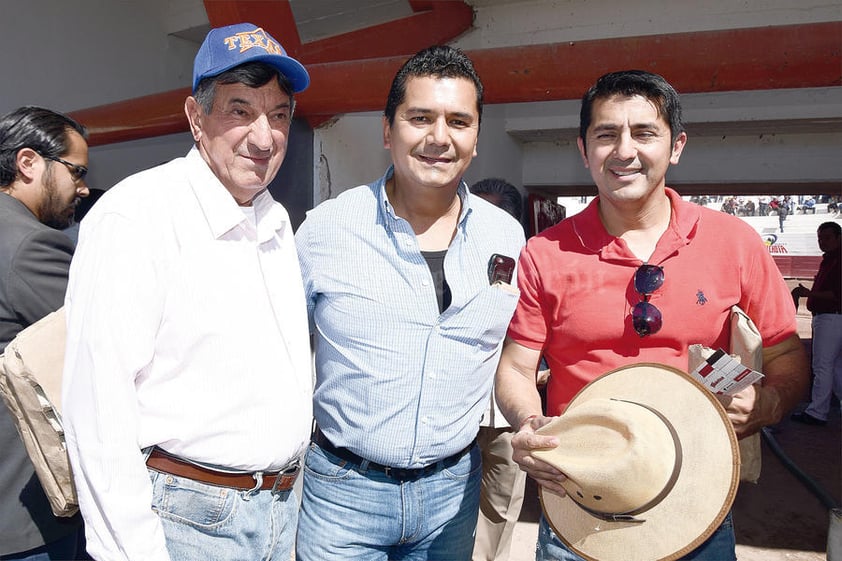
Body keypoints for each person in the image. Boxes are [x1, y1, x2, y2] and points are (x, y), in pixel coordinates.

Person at [494, 70, 809, 561]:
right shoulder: (544, 253)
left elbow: (788, 352)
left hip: (698, 501)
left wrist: (769, 404)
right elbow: (516, 367)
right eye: (606, 134)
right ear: (583, 149)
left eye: (644, 133)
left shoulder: (735, 242)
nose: (624, 150)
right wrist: (528, 422)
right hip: (579, 498)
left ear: (676, 145)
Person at [62, 23, 313, 561]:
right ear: (196, 119)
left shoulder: (274, 219)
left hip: (279, 511)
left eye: (278, 114)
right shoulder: (139, 215)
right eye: (240, 110)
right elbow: (97, 406)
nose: (264, 137)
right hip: (187, 522)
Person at [295, 46, 526, 561]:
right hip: (342, 496)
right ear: (387, 130)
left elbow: (515, 351)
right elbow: (277, 348)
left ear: (476, 137)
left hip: (453, 493)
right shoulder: (328, 230)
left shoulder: (505, 236)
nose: (438, 137)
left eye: (458, 121)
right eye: (419, 118)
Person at [0, 106, 89, 560]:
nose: (83, 187)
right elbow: (97, 346)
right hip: (24, 516)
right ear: (29, 162)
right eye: (76, 171)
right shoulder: (28, 242)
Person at [468, 178, 528, 561]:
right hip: (462, 414)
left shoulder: (534, 266)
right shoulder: (454, 263)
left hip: (508, 418)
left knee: (500, 511)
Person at [791, 221, 842, 426]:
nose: (822, 242)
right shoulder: (831, 259)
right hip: (832, 316)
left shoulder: (837, 261)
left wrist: (807, 293)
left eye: (827, 238)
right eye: (820, 238)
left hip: (830, 317)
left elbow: (836, 294)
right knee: (836, 366)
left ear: (839, 237)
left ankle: (817, 412)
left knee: (822, 365)